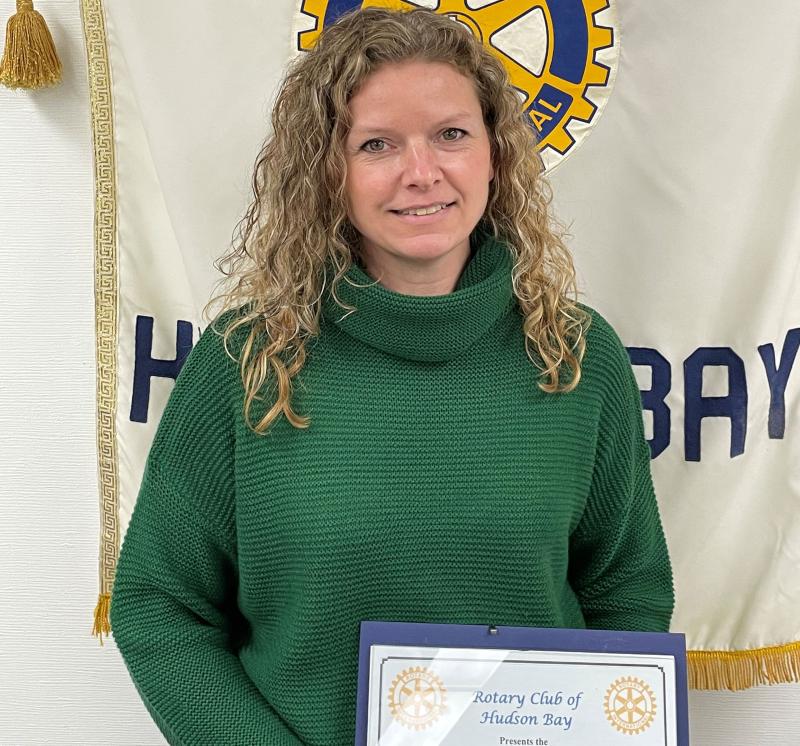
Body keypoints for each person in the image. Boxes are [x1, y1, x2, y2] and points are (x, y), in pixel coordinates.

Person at [110, 7, 674, 745]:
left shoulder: (575, 354)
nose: (422, 172)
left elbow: (626, 591)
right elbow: (160, 604)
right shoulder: (245, 360)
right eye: (377, 144)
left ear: (495, 153)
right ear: (327, 171)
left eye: (451, 134)